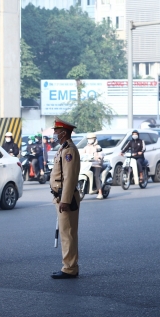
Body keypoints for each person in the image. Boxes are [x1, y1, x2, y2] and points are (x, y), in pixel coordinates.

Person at [49, 117, 81, 279]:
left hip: (65, 197)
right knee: (65, 232)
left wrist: (65, 200)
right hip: (60, 196)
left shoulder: (69, 150)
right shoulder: (63, 148)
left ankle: (70, 268)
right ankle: (69, 265)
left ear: (63, 133)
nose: (54, 133)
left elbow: (69, 177)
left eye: (56, 131)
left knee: (67, 233)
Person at [81, 133, 104, 200]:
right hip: (87, 164)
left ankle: (100, 192)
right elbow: (81, 153)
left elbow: (101, 153)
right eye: (88, 139)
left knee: (96, 176)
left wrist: (99, 157)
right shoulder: (86, 147)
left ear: (94, 139)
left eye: (91, 139)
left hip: (97, 164)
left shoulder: (98, 147)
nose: (90, 140)